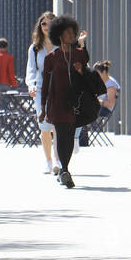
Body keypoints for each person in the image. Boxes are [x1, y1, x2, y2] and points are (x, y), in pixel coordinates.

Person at [40, 15, 91, 189]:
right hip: (57, 101)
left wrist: (82, 46)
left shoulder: (78, 53)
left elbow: (86, 67)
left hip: (74, 102)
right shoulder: (51, 57)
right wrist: (42, 108)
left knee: (69, 136)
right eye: (68, 33)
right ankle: (65, 169)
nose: (71, 35)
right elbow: (45, 84)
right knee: (61, 134)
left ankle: (64, 168)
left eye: (73, 32)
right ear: (59, 35)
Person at [25, 12, 60, 175]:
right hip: (41, 91)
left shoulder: (63, 45)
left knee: (57, 126)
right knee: (45, 127)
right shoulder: (34, 48)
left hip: (60, 90)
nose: (46, 27)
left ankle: (59, 160)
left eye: (50, 23)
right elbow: (31, 70)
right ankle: (48, 161)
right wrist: (31, 85)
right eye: (43, 24)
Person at [78, 60, 120, 146]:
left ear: (104, 72)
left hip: (104, 109)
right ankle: (80, 138)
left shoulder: (111, 85)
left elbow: (110, 104)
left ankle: (81, 139)